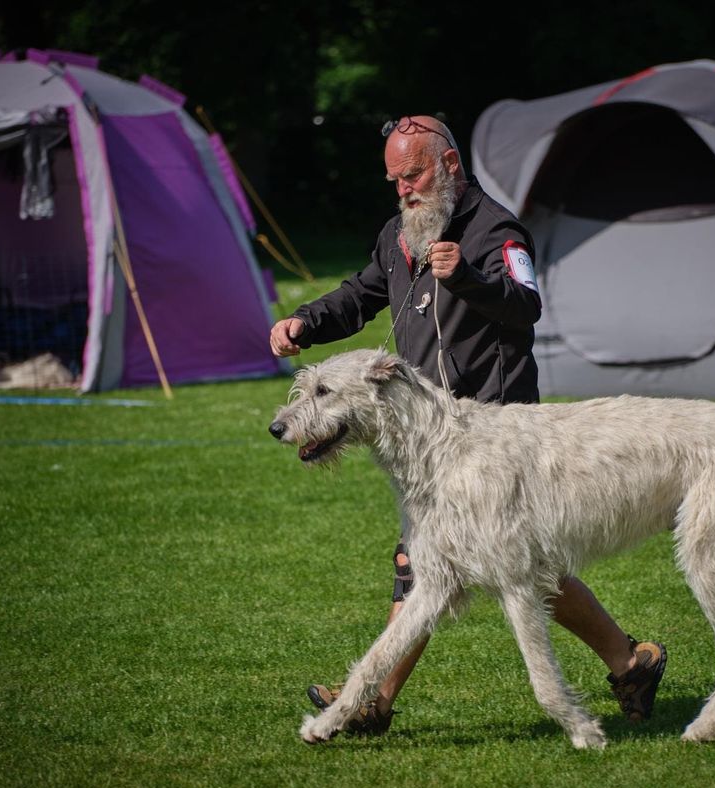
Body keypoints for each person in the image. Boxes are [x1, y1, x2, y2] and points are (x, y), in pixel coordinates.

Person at [269, 115, 666, 735]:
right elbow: (361, 295)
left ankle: (369, 700)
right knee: (525, 569)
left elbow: (527, 306)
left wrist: (470, 280)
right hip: (431, 432)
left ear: (450, 165)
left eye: (414, 174)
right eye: (394, 179)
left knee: (426, 566)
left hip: (498, 430)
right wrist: (304, 323)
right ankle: (629, 660)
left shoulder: (496, 231)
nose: (404, 189)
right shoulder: (398, 235)